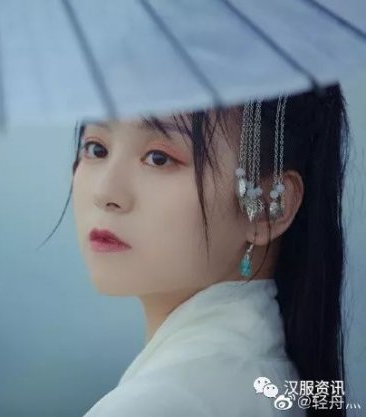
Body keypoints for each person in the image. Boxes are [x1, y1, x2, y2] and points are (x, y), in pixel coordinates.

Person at [41, 84, 349, 416]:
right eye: (96, 149)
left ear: (267, 206)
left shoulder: (161, 403)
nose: (106, 193)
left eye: (159, 158)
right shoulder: (269, 379)